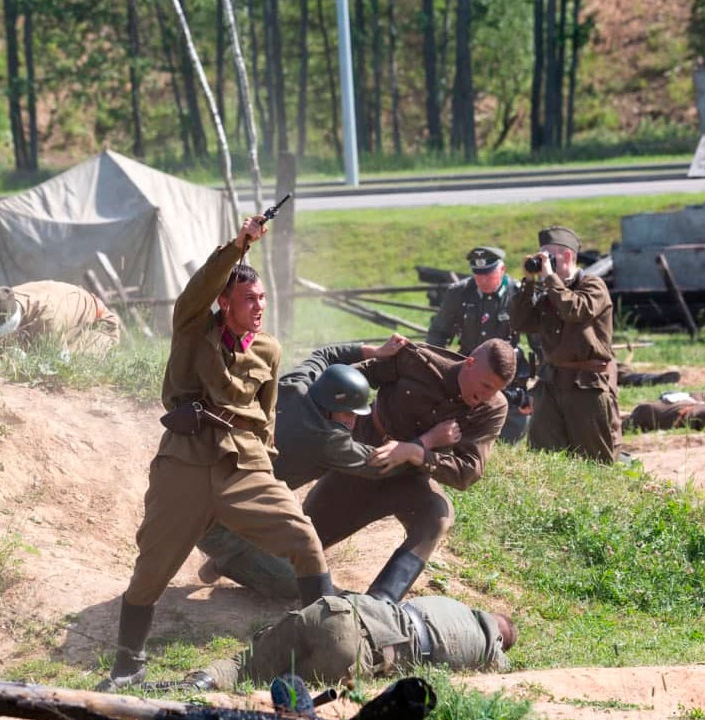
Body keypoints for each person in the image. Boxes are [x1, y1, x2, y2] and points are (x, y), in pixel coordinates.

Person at [100, 216, 331, 690]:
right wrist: (239, 246)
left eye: (263, 298)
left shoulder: (268, 349)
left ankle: (324, 647)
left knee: (305, 541)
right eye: (249, 299)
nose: (259, 306)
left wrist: (264, 463)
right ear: (224, 302)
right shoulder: (192, 328)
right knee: (152, 567)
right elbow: (200, 288)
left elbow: (266, 419)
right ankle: (128, 666)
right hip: (184, 462)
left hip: (243, 465)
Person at [204, 339, 514, 604]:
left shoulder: (493, 408)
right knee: (302, 554)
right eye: (486, 385)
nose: (487, 395)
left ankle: (379, 605)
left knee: (437, 515)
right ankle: (230, 557)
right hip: (360, 458)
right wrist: (426, 441)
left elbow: (468, 472)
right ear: (470, 363)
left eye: (496, 390)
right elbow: (351, 383)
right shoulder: (415, 360)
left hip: (412, 477)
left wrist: (420, 454)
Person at [157, 593, 512, 691]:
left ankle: (194, 683)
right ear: (499, 637)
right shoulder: (488, 647)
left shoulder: (451, 606)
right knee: (271, 690)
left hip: (334, 611)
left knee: (246, 667)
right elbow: (505, 675)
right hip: (356, 656)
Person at [509, 226, 621, 463]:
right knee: (543, 455)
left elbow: (575, 310)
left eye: (548, 257)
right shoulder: (549, 291)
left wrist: (551, 279)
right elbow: (520, 321)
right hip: (551, 381)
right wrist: (529, 282)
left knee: (594, 457)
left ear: (567, 256)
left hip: (586, 384)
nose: (542, 262)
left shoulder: (593, 286)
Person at [425, 246, 535, 443]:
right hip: (469, 371)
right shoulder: (459, 293)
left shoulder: (518, 294)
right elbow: (438, 334)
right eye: (478, 275)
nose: (483, 280)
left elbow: (539, 341)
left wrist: (537, 391)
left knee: (509, 438)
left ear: (502, 270)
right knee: (466, 436)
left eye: (489, 274)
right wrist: (435, 370)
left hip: (507, 376)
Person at [0, 280, 121, 355]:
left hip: (99, 325)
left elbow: (60, 367)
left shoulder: (47, 321)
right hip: (65, 313)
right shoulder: (0, 301)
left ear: (13, 327)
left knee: (74, 367)